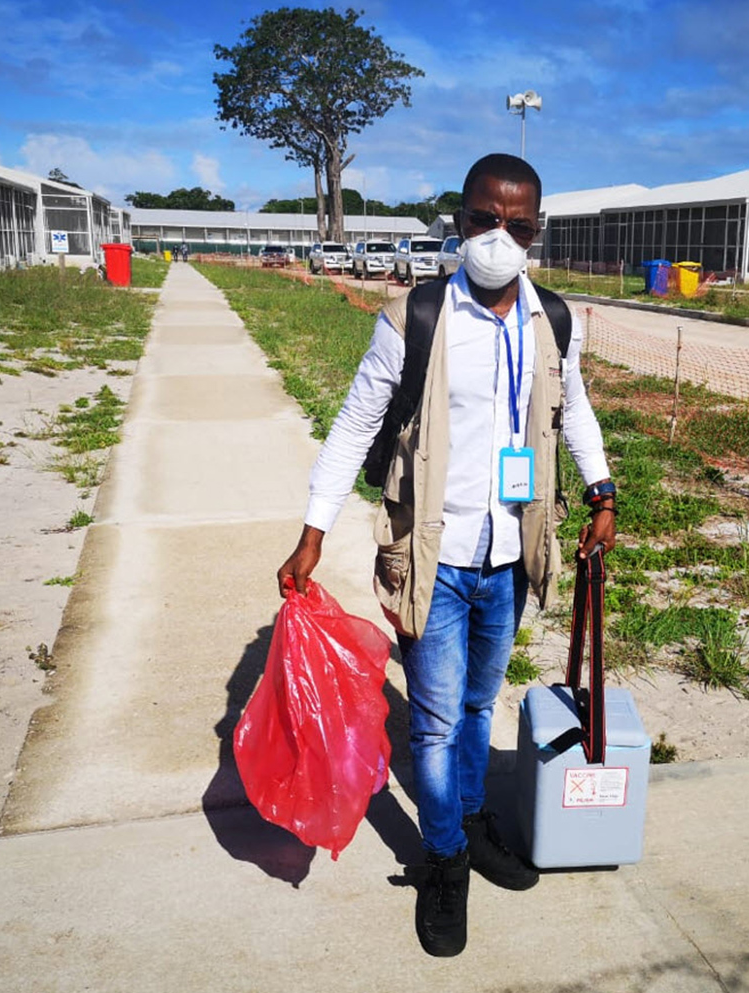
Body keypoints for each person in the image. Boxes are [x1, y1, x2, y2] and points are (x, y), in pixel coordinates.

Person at [277, 153, 616, 957]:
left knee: (474, 707)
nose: (500, 236)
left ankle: (467, 813)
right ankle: (446, 860)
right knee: (431, 721)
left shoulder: (552, 321)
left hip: (507, 556)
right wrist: (314, 528)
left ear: (537, 229)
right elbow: (356, 422)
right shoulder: (417, 317)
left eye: (518, 224)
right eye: (483, 219)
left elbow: (575, 414)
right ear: (459, 219)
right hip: (432, 554)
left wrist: (603, 494)